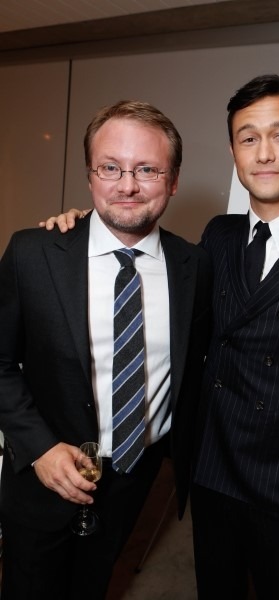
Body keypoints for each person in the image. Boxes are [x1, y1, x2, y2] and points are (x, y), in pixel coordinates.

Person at [41, 74, 279, 600]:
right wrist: (86, 225)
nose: (264, 153)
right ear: (234, 151)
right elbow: (160, 285)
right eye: (248, 138)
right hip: (211, 470)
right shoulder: (218, 236)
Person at [0, 100, 212, 600]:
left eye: (148, 170)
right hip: (41, 477)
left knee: (94, 585)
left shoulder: (196, 267)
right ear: (90, 175)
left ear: (173, 180)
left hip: (134, 478)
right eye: (111, 167)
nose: (127, 185)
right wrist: (41, 448)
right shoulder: (33, 253)